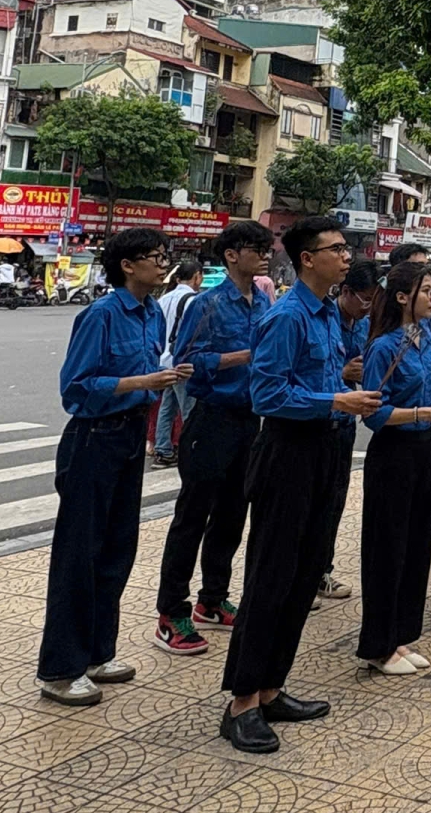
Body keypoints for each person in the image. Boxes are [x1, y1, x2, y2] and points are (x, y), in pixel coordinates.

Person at [218, 216, 381, 753]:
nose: (346, 256)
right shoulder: (286, 317)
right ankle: (241, 702)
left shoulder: (330, 313)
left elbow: (323, 377)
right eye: (336, 249)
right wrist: (334, 399)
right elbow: (266, 395)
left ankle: (271, 687)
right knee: (272, 574)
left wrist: (345, 384)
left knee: (306, 570)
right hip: (287, 451)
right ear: (307, 258)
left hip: (326, 451)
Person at [35, 229, 193, 706]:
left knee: (117, 550)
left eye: (164, 256)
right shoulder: (102, 314)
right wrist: (141, 380)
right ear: (127, 264)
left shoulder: (150, 313)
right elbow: (76, 388)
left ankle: (98, 653)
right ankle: (61, 668)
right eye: (154, 257)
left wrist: (159, 383)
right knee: (78, 554)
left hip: (127, 438)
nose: (162, 264)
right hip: (94, 439)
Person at [153, 222, 274, 656]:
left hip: (249, 421)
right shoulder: (206, 304)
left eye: (266, 247)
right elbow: (186, 362)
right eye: (254, 248)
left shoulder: (263, 302)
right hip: (211, 420)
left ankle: (212, 598)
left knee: (232, 514)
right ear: (230, 256)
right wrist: (244, 356)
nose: (264, 255)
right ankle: (171, 612)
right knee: (192, 516)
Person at [357, 259, 431, 675]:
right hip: (393, 455)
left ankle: (402, 637)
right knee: (388, 549)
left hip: (426, 449)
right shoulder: (383, 346)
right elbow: (373, 412)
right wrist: (421, 411)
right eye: (426, 290)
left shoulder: (426, 338)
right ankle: (378, 645)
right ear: (402, 297)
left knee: (417, 546)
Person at [316, 256, 377, 604]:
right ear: (346, 291)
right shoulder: (325, 319)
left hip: (344, 423)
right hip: (318, 419)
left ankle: (322, 569)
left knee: (335, 500)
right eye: (364, 299)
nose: (367, 307)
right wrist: (344, 374)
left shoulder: (363, 325)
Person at [151, 253, 204, 467]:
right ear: (197, 277)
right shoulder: (194, 300)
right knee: (189, 409)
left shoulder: (164, 298)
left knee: (167, 407)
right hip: (182, 362)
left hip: (164, 361)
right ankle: (191, 450)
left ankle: (163, 449)